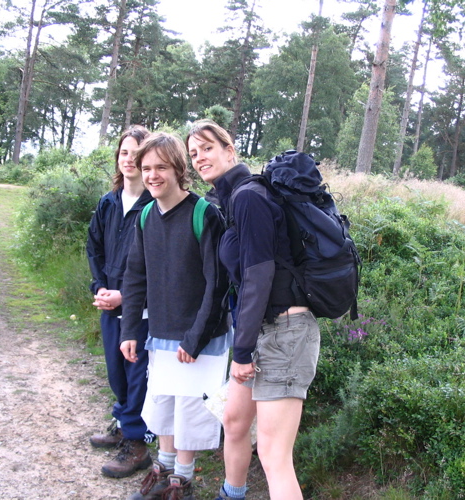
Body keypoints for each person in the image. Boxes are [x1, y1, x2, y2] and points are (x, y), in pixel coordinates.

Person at [186, 120, 321, 500]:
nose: (199, 158)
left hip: (285, 332)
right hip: (262, 331)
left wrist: (241, 350)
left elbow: (258, 278)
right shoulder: (232, 199)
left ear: (230, 151)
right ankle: (232, 494)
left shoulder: (248, 197)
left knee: (275, 455)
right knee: (233, 419)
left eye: (207, 148)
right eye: (193, 153)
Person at [120, 132, 230, 500]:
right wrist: (130, 330)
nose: (152, 175)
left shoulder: (204, 214)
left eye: (161, 167)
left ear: (178, 169)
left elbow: (218, 286)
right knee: (163, 402)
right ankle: (162, 471)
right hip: (161, 332)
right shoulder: (146, 215)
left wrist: (196, 338)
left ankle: (181, 482)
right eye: (146, 167)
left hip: (202, 337)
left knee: (191, 410)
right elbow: (135, 276)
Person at [86, 126, 155, 479]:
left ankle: (137, 445)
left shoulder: (155, 206)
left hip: (140, 309)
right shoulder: (109, 202)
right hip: (108, 303)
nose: (129, 159)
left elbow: (162, 267)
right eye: (124, 152)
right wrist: (100, 288)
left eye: (137, 154)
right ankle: (122, 421)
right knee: (116, 369)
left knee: (136, 372)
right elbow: (94, 247)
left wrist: (125, 296)